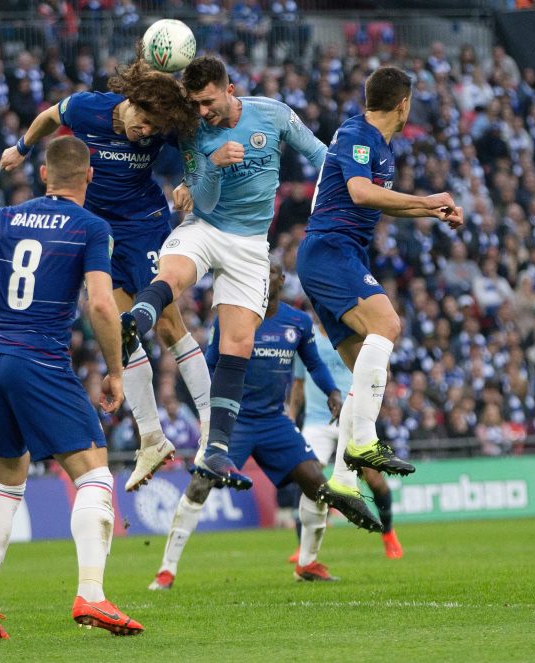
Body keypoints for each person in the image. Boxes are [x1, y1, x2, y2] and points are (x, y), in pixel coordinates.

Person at [0, 136, 142, 639]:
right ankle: (91, 595)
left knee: (5, 484)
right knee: (94, 474)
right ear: (89, 177)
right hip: (39, 357)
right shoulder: (91, 227)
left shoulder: (5, 216)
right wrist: (115, 371)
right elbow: (99, 303)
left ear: (44, 174)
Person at [0, 60, 209, 493]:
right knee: (118, 328)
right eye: (144, 121)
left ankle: (213, 429)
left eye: (155, 127)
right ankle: (151, 437)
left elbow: (197, 144)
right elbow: (49, 117)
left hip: (146, 224)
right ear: (130, 103)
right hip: (99, 232)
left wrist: (189, 179)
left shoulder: (164, 127)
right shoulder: (87, 108)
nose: (147, 132)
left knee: (168, 323)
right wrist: (21, 147)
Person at [123, 55, 327, 490]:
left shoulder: (272, 114)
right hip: (207, 227)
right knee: (172, 273)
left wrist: (340, 197)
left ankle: (216, 450)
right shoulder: (196, 133)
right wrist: (213, 163)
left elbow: (320, 154)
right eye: (195, 103)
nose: (202, 112)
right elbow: (205, 202)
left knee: (239, 341)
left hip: (250, 244)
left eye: (208, 101)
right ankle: (135, 322)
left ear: (229, 88)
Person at [148, 259, 382, 591]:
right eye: (260, 272)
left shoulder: (298, 322)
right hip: (235, 421)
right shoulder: (232, 318)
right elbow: (210, 365)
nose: (266, 277)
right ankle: (166, 570)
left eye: (271, 272)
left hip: (275, 422)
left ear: (281, 280)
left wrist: (332, 392)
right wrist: (208, 413)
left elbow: (314, 363)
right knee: (200, 485)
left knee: (316, 484)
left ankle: (307, 563)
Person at [295, 66, 463, 505]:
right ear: (403, 103)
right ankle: (363, 441)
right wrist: (426, 199)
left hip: (340, 255)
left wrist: (430, 211)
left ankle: (343, 481)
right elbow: (361, 193)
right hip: (330, 251)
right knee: (387, 325)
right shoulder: (356, 134)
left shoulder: (381, 146)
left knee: (364, 373)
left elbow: (381, 201)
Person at [289, 319, 403, 559]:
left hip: (350, 416)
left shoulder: (351, 337)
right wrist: (290, 415)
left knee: (374, 480)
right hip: (317, 421)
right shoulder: (308, 341)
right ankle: (304, 546)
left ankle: (388, 533)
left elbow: (374, 373)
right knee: (307, 478)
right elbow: (299, 383)